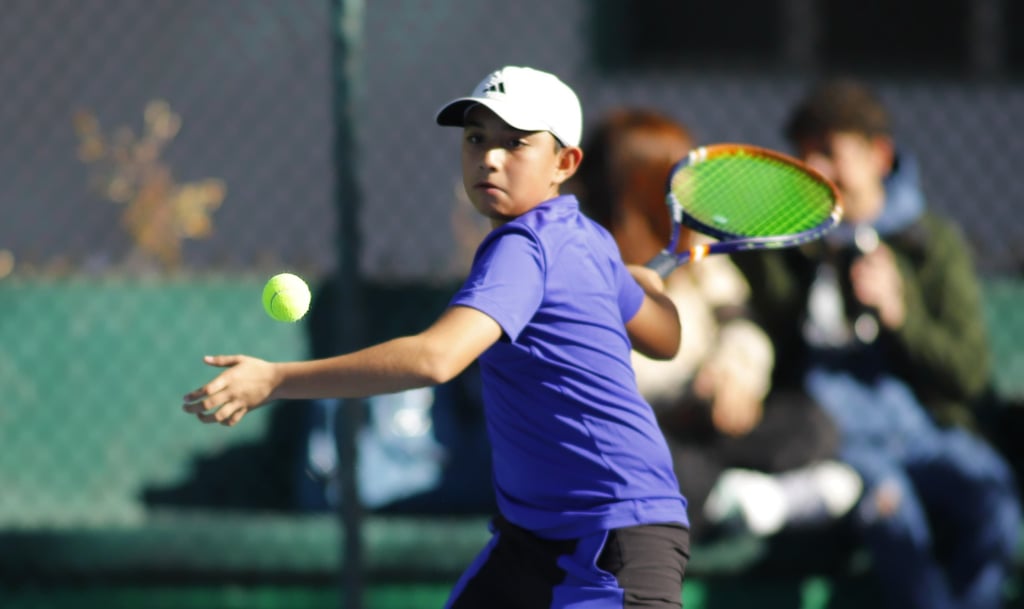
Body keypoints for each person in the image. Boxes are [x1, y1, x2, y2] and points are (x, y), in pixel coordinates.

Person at [182, 66, 691, 609]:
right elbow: (666, 335)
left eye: (516, 144)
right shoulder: (588, 241)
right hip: (538, 539)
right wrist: (643, 287)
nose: (490, 158)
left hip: (612, 536)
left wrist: (277, 379)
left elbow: (436, 358)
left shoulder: (525, 247)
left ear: (565, 163)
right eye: (476, 139)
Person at [731, 78, 1021, 609]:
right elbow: (768, 330)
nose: (814, 170)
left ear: (878, 156)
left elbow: (969, 374)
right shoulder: (784, 243)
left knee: (993, 503)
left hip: (927, 430)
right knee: (893, 514)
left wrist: (900, 316)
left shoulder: (931, 244)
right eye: (804, 155)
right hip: (839, 435)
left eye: (829, 152)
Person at [572, 108, 860, 542]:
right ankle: (732, 501)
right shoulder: (578, 261)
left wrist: (732, 378)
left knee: (812, 426)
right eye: (677, 173)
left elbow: (741, 325)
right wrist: (686, 394)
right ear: (641, 187)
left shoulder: (696, 253)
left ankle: (744, 497)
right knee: (649, 465)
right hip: (646, 434)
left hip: (711, 425)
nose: (695, 187)